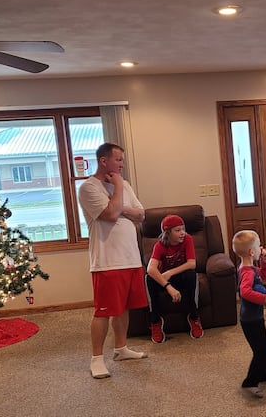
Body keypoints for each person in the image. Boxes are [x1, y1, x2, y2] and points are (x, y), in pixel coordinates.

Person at [78, 142, 148, 379]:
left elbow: (141, 214)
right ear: (103, 161)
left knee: (123, 308)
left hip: (131, 258)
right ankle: (96, 358)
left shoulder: (125, 184)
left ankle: (120, 348)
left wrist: (120, 205)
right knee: (103, 311)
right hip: (107, 261)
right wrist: (117, 187)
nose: (121, 165)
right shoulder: (89, 187)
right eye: (118, 160)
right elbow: (108, 214)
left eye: (122, 160)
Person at [232, 230, 266, 398]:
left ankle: (263, 374)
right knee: (262, 351)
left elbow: (264, 276)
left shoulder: (250, 268)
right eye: (258, 245)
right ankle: (250, 382)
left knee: (263, 347)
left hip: (255, 318)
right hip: (250, 320)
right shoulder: (247, 272)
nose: (262, 248)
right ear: (252, 252)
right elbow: (244, 292)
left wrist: (265, 261)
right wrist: (264, 298)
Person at [145, 214, 203, 343]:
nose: (182, 233)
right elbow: (150, 269)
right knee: (149, 278)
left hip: (179, 276)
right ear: (167, 233)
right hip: (164, 279)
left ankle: (194, 317)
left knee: (191, 274)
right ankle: (155, 321)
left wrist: (171, 272)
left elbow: (192, 263)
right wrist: (168, 286)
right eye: (178, 230)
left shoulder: (188, 239)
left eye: (183, 229)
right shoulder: (160, 245)